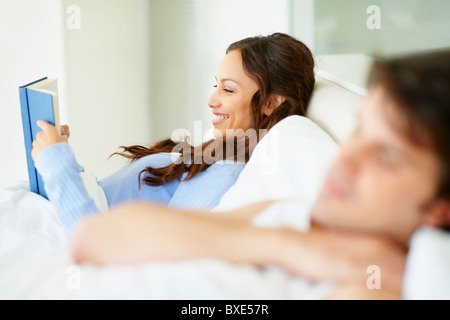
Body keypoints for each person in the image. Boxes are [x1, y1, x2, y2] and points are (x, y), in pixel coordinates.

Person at [70, 49, 450, 299]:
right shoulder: (296, 218)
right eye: (360, 130)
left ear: (440, 209)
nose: (346, 160)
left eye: (386, 155)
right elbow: (92, 236)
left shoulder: (371, 285)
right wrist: (293, 247)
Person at [30, 33, 316, 230]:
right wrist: (63, 159)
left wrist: (57, 163)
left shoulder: (228, 177)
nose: (212, 100)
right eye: (215, 85)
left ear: (269, 103)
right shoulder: (218, 155)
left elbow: (104, 245)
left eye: (228, 89)